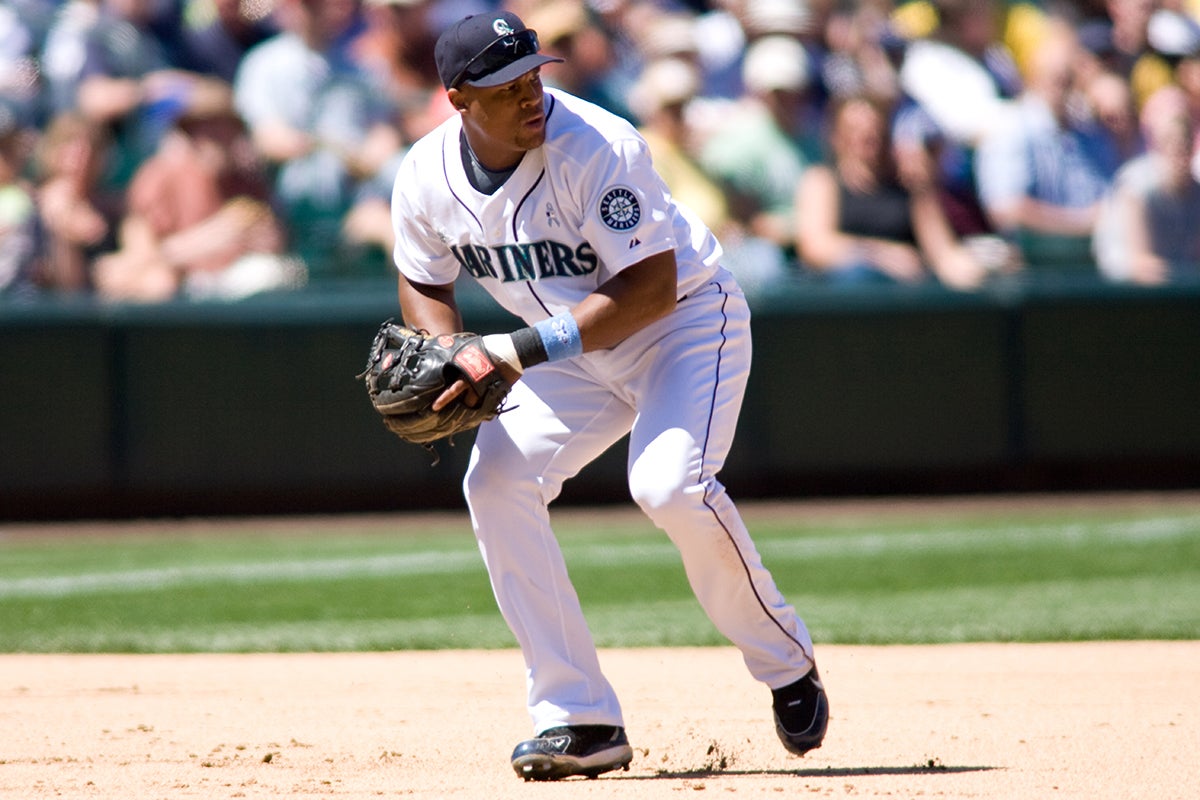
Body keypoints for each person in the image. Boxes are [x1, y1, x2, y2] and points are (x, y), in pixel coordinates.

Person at [386, 10, 828, 781]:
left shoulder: (599, 145)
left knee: (668, 486)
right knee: (495, 481)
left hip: (683, 324)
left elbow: (650, 289)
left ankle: (784, 660)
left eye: (532, 75)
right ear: (459, 99)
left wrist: (514, 351)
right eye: (504, 86)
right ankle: (578, 716)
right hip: (562, 352)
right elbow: (424, 282)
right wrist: (452, 350)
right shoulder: (425, 174)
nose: (529, 95)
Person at [795, 93, 990, 288]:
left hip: (905, 292)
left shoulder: (908, 185)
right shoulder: (823, 181)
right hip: (845, 293)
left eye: (874, 133)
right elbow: (816, 246)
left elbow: (942, 252)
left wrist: (979, 269)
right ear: (838, 138)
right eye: (855, 132)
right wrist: (880, 255)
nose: (866, 140)